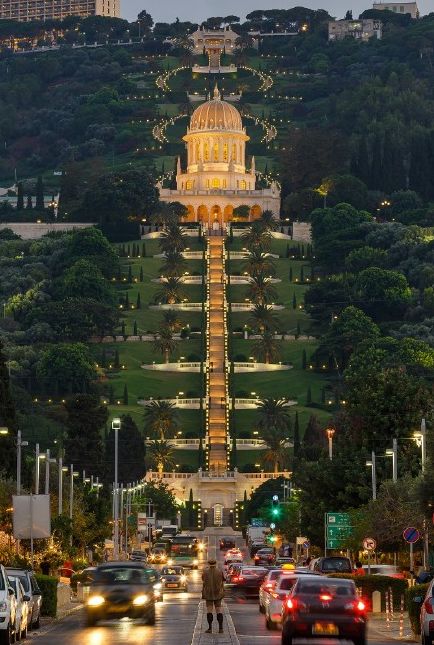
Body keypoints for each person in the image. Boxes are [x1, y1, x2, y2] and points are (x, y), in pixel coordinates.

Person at [202, 558, 225, 634]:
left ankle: (210, 628)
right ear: (215, 563)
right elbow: (223, 580)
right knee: (218, 610)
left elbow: (203, 580)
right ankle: (220, 628)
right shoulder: (219, 571)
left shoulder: (205, 572)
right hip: (218, 593)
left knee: (209, 610)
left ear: (209, 564)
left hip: (208, 593)